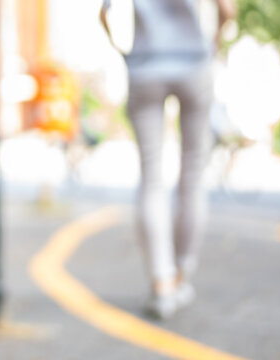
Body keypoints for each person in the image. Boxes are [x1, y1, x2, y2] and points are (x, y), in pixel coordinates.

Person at [100, 0, 235, 319]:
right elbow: (227, 10)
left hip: (145, 66)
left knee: (151, 177)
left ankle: (160, 285)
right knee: (192, 176)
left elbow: (105, 13)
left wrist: (126, 53)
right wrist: (211, 46)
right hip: (194, 63)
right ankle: (181, 275)